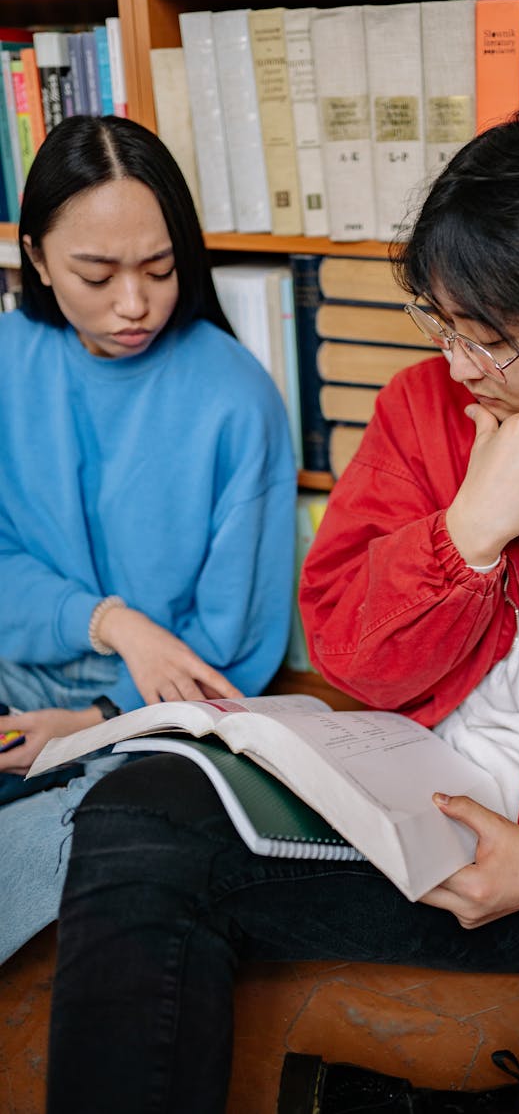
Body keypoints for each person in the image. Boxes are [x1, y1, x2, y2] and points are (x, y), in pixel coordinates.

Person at [46, 104, 519, 1113]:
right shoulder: (427, 407)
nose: (459, 367)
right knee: (138, 820)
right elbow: (349, 651)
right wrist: (470, 531)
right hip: (414, 825)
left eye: (495, 341)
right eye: (441, 322)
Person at [0, 114, 296, 964]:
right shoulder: (10, 360)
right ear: (39, 256)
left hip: (151, 721)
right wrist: (113, 621)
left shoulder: (236, 398)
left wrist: (94, 719)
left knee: (124, 856)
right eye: (97, 273)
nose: (135, 304)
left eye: (161, 270)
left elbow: (233, 643)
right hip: (22, 674)